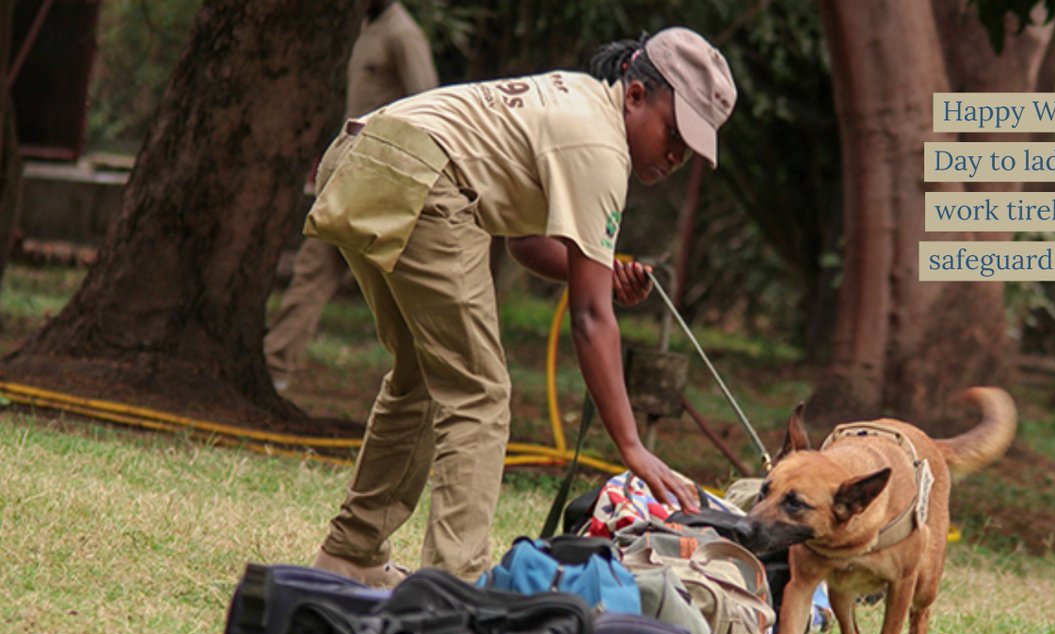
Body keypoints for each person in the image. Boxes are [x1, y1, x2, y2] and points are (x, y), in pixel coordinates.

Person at [306, 27, 737, 586]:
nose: (676, 155)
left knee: (421, 375)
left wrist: (603, 281)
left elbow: (525, 243)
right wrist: (632, 446)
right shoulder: (602, 150)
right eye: (674, 132)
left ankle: (351, 555)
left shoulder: (577, 99)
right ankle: (453, 589)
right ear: (635, 95)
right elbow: (588, 319)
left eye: (691, 149)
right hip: (422, 177)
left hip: (364, 157)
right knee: (479, 392)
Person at [264, 0, 438, 392]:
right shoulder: (367, 28)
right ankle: (275, 367)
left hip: (382, 177)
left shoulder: (403, 34)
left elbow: (428, 106)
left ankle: (276, 366)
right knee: (319, 269)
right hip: (349, 168)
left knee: (323, 270)